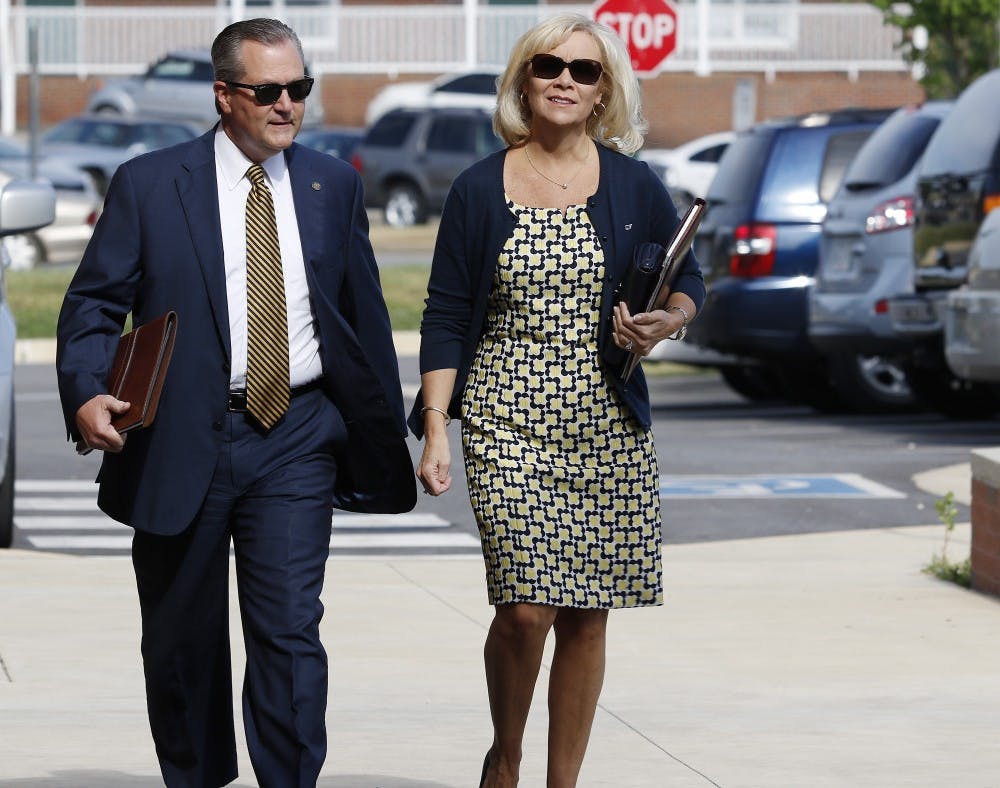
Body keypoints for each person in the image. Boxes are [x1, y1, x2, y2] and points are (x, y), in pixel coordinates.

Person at [56, 18, 415, 787]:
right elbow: (92, 305)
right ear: (225, 95)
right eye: (270, 91)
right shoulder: (150, 184)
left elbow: (364, 318)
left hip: (297, 433)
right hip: (183, 436)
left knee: (289, 631)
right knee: (180, 642)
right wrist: (87, 392)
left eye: (300, 89)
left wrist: (403, 426)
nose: (289, 105)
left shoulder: (333, 183)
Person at [411, 12, 705, 788]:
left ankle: (562, 781)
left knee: (587, 611)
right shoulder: (479, 188)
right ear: (523, 80)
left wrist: (664, 323)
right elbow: (444, 313)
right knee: (526, 608)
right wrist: (437, 427)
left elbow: (687, 278)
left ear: (606, 88)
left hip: (607, 425)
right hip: (508, 421)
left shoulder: (636, 183)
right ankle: (505, 756)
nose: (565, 82)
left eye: (584, 71)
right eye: (549, 67)